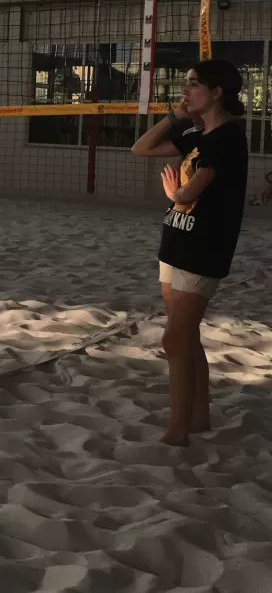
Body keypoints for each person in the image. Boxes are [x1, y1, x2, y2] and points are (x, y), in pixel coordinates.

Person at [131, 59, 248, 446]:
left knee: (174, 339)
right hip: (176, 242)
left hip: (204, 250)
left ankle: (177, 433)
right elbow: (140, 148)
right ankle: (198, 417)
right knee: (187, 337)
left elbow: (189, 192)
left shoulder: (227, 137)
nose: (186, 90)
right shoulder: (198, 134)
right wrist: (176, 116)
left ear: (218, 92)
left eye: (194, 85)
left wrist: (172, 194)